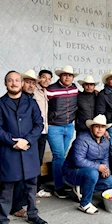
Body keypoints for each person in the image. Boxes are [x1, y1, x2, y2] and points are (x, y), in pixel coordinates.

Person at [0, 71, 47, 224]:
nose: (14, 83)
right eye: (10, 80)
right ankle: (2, 219)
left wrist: (26, 141)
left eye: (17, 80)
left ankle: (33, 215)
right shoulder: (1, 103)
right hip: (9, 151)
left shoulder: (31, 102)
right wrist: (13, 141)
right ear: (5, 84)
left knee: (31, 187)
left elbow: (39, 124)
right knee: (6, 189)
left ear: (21, 83)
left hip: (29, 151)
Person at [62, 114, 112, 214]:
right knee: (93, 174)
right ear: (91, 127)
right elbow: (78, 161)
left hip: (91, 170)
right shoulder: (82, 139)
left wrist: (106, 169)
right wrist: (98, 167)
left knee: (111, 182)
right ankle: (84, 203)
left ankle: (83, 190)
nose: (100, 129)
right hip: (72, 171)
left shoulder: (105, 141)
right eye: (97, 126)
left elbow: (105, 158)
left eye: (103, 127)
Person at [47, 65, 79, 198]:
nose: (67, 77)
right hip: (54, 127)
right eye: (65, 75)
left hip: (69, 126)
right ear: (60, 76)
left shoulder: (74, 88)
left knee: (63, 156)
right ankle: (58, 186)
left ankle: (63, 181)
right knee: (58, 156)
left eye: (70, 75)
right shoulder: (51, 89)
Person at [34, 69, 53, 197]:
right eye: (44, 77)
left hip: (44, 130)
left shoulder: (46, 91)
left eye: (49, 78)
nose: (46, 80)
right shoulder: (33, 91)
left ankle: (36, 189)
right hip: (34, 132)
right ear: (39, 78)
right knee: (33, 161)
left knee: (38, 160)